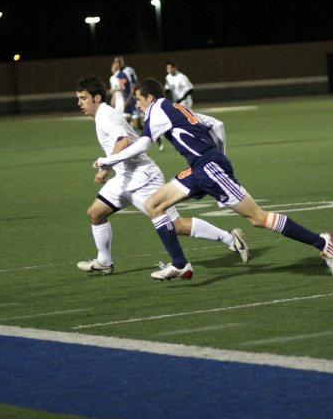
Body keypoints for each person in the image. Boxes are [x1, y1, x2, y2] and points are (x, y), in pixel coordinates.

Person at [93, 78, 333, 281]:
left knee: (257, 217)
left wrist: (108, 161)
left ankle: (322, 242)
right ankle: (179, 263)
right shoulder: (178, 108)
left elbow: (144, 143)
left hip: (208, 168)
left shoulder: (156, 109)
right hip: (201, 169)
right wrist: (220, 158)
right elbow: (217, 124)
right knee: (153, 205)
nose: (137, 105)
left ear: (149, 97)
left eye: (138, 99)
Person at [75, 76, 249, 275]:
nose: (79, 103)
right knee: (95, 213)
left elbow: (122, 141)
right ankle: (104, 262)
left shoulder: (106, 115)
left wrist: (105, 167)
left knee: (175, 225)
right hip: (124, 178)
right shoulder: (101, 115)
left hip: (143, 178)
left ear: (96, 98)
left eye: (82, 98)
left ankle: (230, 238)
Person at [114, 56, 143, 131]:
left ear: (123, 62)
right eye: (116, 62)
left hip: (133, 99)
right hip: (127, 100)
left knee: (137, 125)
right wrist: (124, 99)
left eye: (120, 61)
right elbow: (122, 88)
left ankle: (157, 138)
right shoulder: (118, 74)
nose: (118, 63)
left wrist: (128, 100)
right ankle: (132, 142)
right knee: (125, 125)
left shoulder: (129, 70)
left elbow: (134, 86)